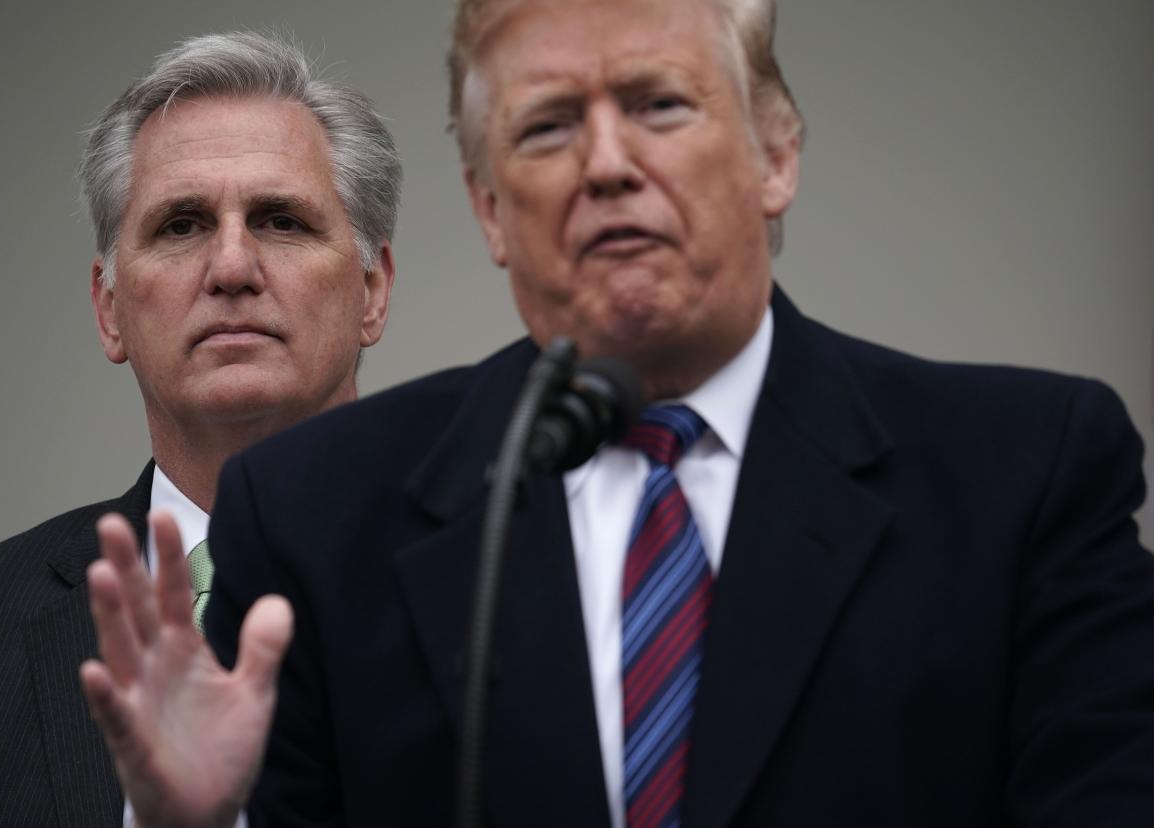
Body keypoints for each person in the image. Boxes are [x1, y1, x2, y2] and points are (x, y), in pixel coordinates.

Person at [84, 1, 1154, 826]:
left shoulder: (1024, 476)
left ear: (775, 155)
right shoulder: (321, 515)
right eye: (547, 127)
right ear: (490, 209)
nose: (605, 164)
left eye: (658, 105)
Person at [0, 31, 400, 827]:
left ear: (373, 290)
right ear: (110, 311)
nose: (233, 268)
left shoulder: (526, 590)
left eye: (280, 220)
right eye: (181, 226)